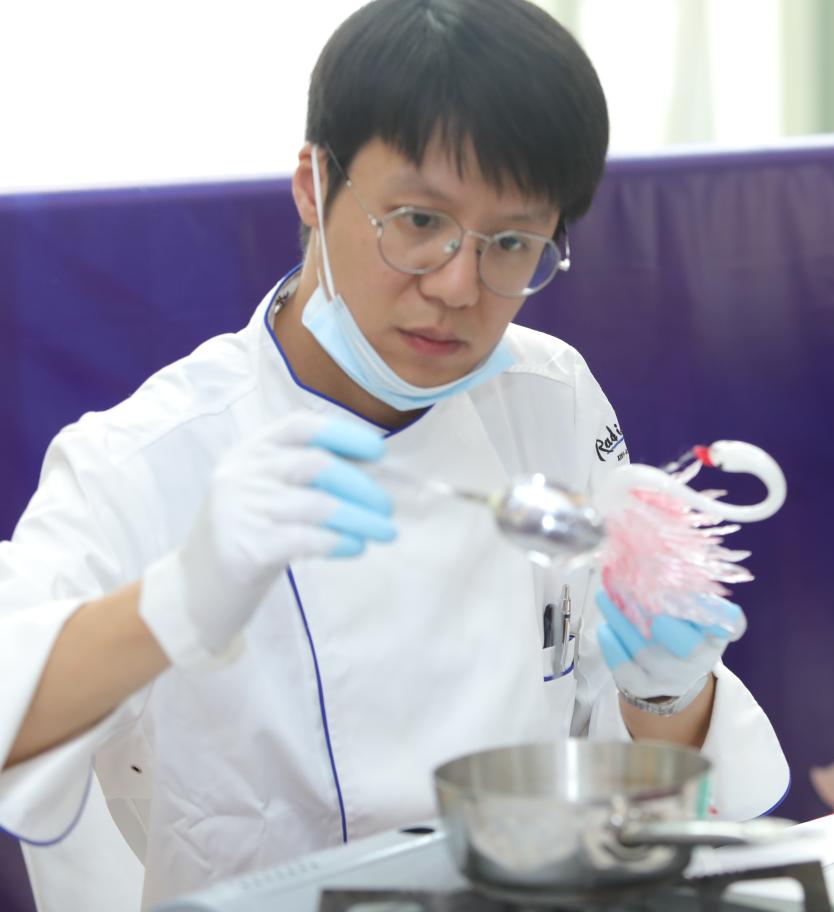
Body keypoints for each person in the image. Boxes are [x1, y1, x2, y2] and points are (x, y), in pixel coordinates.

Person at [0, 0, 788, 906]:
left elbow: (640, 793)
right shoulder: (143, 458)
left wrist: (666, 693)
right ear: (313, 185)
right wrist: (176, 603)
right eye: (417, 220)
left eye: (511, 242)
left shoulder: (551, 395)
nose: (457, 285)